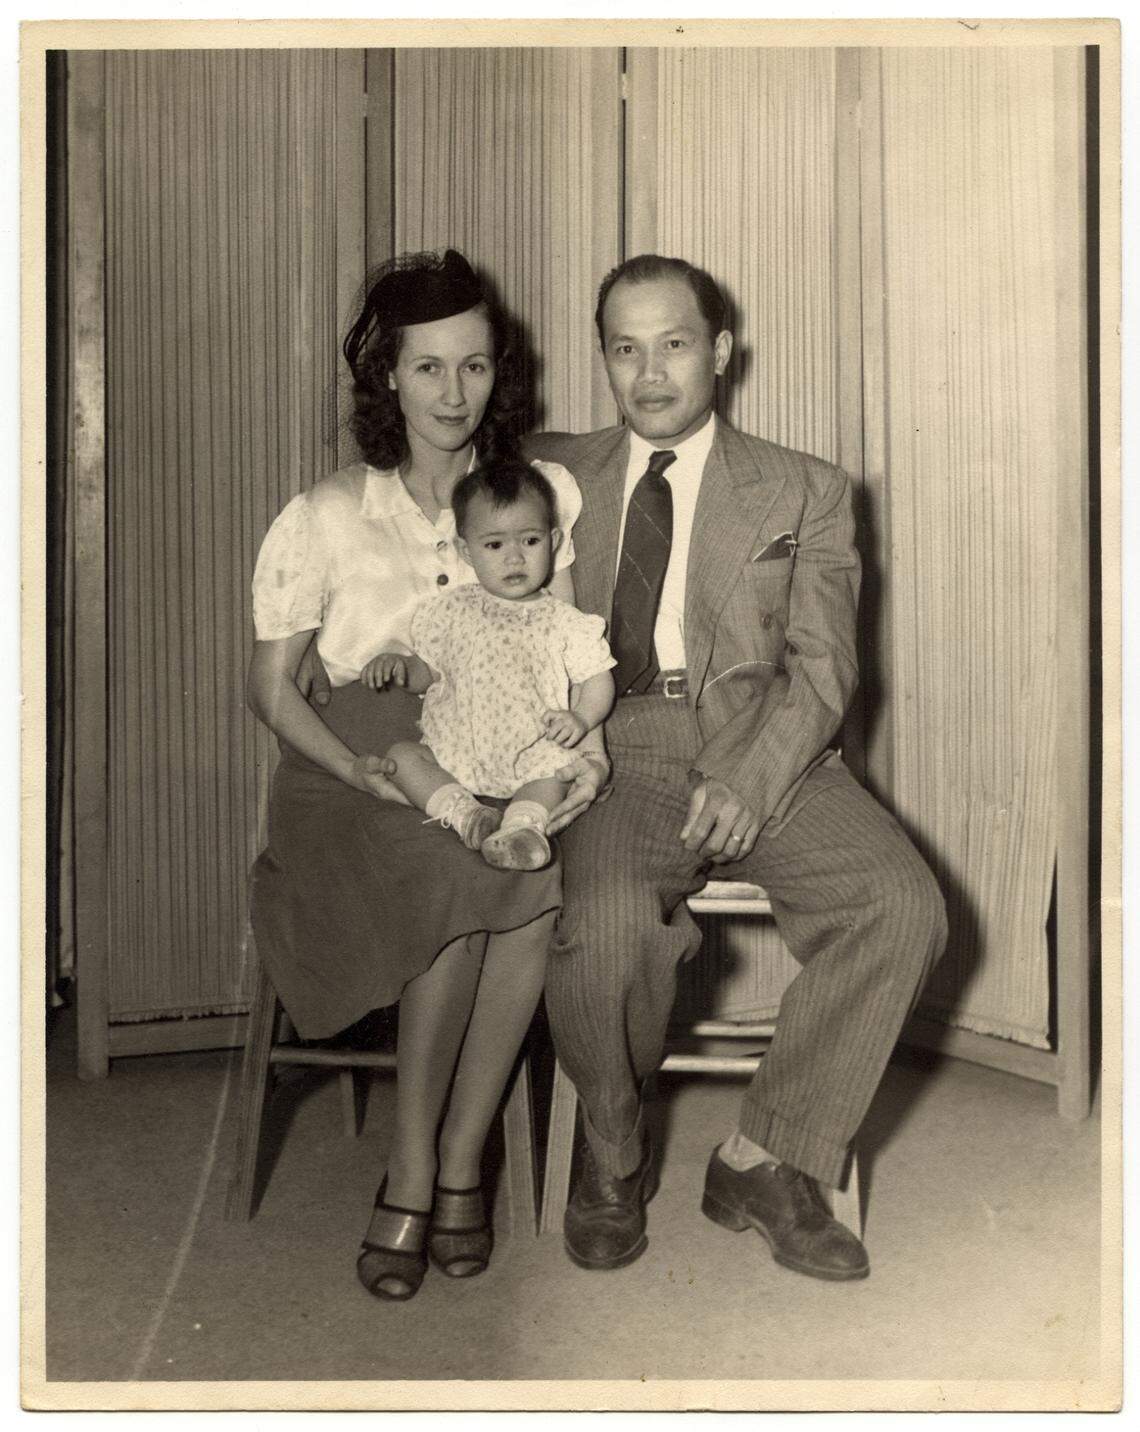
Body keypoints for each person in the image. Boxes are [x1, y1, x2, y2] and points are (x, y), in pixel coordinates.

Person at [525, 254, 948, 1281]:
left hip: (770, 743)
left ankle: (768, 1153)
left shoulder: (804, 489)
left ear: (721, 350)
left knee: (901, 904)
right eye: (626, 348)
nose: (651, 372)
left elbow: (823, 666)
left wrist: (750, 779)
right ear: (604, 360)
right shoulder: (548, 472)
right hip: (608, 747)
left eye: (674, 343)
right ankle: (614, 1146)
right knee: (610, 930)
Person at [246, 249, 607, 1302]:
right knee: (455, 869)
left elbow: (564, 642)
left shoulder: (542, 498)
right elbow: (272, 692)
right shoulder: (324, 515)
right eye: (429, 369)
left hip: (494, 751)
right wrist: (361, 772)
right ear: (386, 379)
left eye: (477, 367)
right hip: (353, 765)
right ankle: (416, 1167)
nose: (455, 394)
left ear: (502, 373)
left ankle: (463, 1157)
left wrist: (577, 753)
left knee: (528, 876)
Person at [364, 459, 616, 872]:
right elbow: (429, 672)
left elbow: (597, 680)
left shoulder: (564, 621)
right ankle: (467, 816)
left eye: (530, 541)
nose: (514, 558)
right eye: (495, 545)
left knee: (557, 775)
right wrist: (400, 667)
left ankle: (523, 827)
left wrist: (581, 718)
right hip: (456, 752)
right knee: (404, 758)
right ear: (466, 550)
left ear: (553, 541)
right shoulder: (450, 610)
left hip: (532, 751)